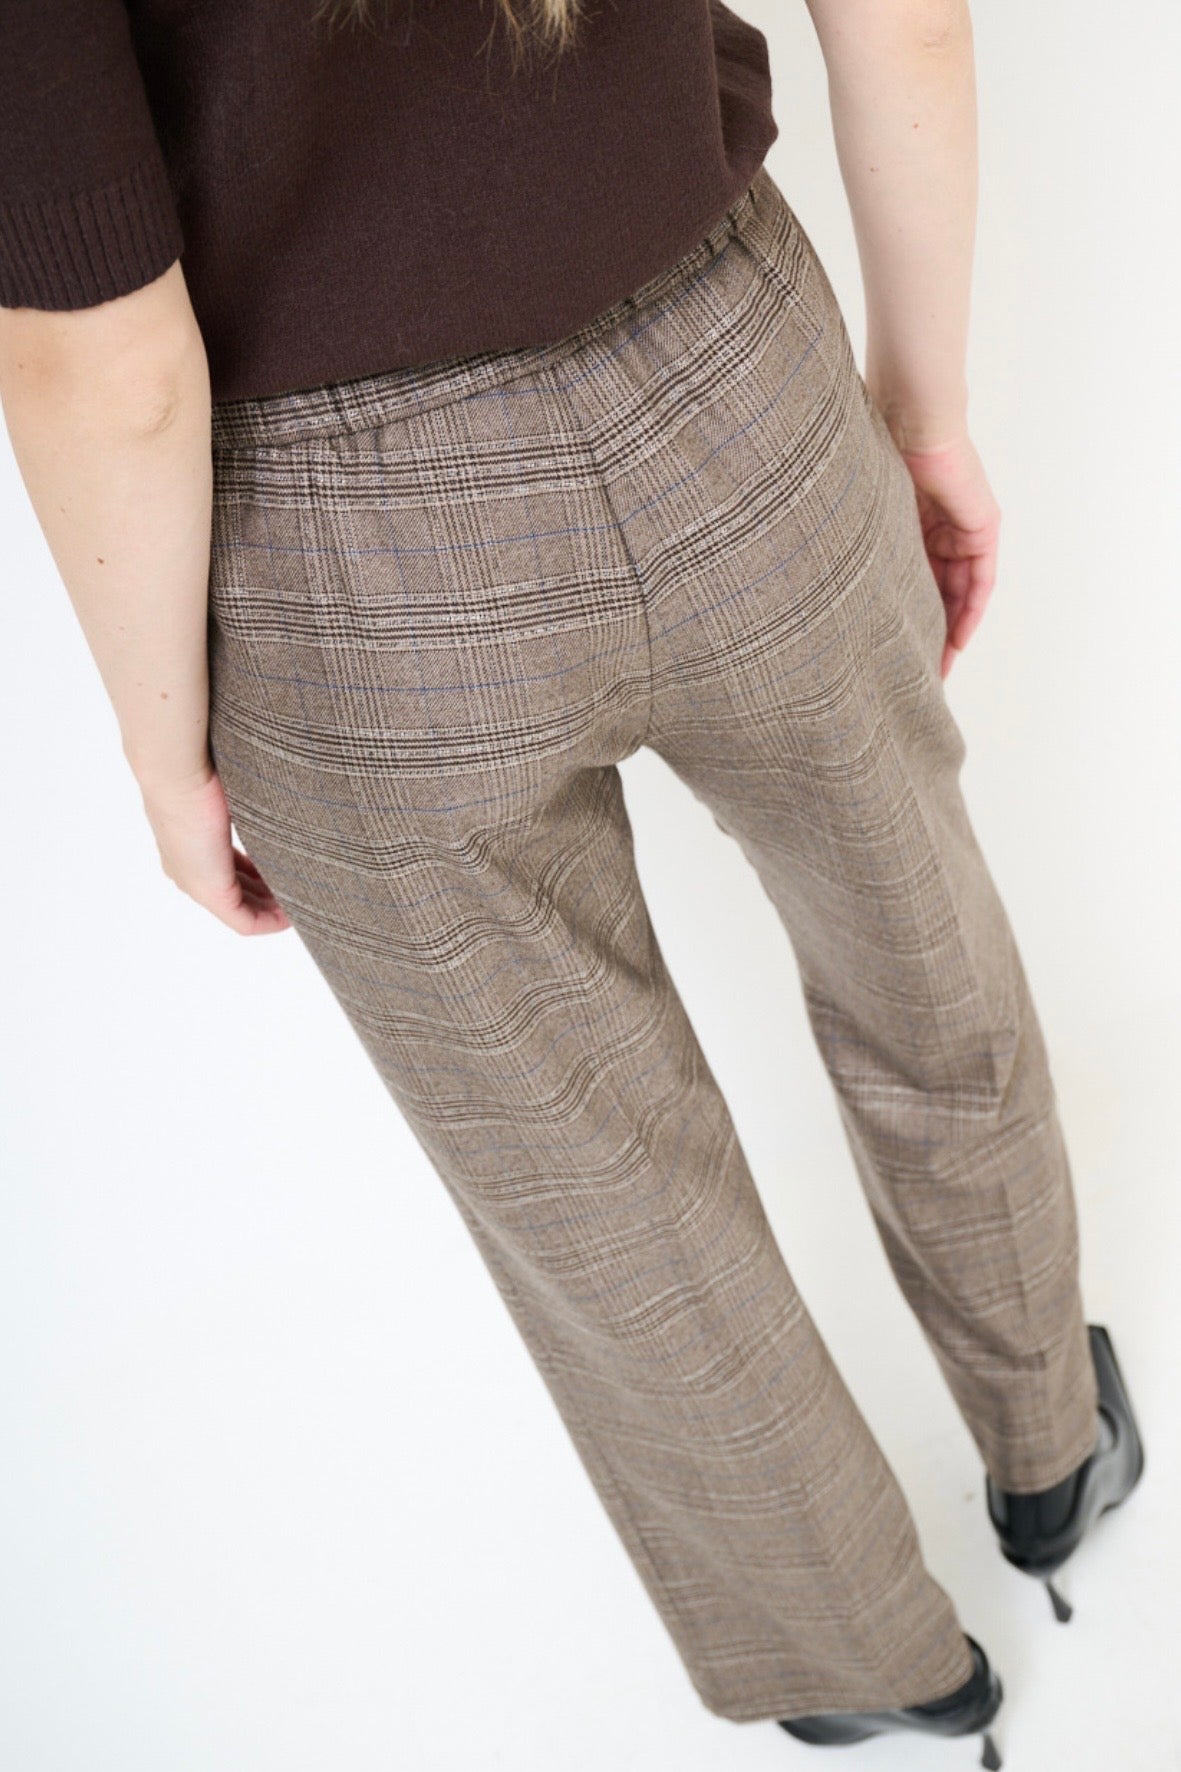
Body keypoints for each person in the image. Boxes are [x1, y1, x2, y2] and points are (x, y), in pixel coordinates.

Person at [0, 0, 1145, 1763]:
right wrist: (924, 413)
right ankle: (1052, 1446)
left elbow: (109, 364)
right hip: (735, 380)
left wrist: (167, 754)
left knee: (595, 1182)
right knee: (917, 943)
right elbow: (901, 20)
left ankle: (863, 1662)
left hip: (336, 564)